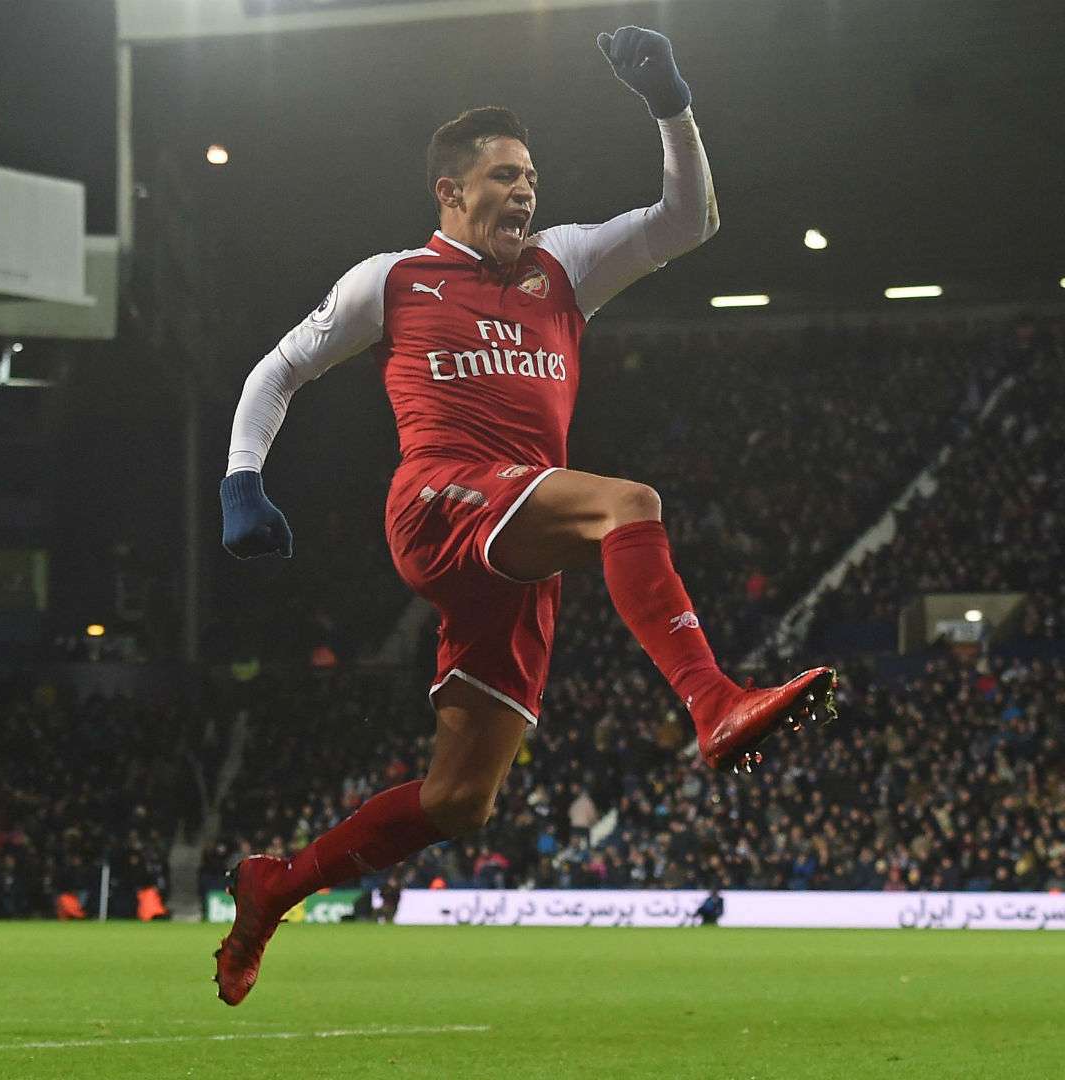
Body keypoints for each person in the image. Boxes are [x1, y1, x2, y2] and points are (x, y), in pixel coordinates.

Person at [213, 27, 835, 1006]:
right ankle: (713, 703)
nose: (526, 191)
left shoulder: (563, 268)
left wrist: (670, 104)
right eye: (504, 175)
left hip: (517, 539)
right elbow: (279, 369)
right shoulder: (393, 279)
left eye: (533, 175)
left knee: (462, 799)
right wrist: (241, 481)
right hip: (439, 504)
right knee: (629, 503)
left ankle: (273, 889)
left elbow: (689, 219)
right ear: (450, 193)